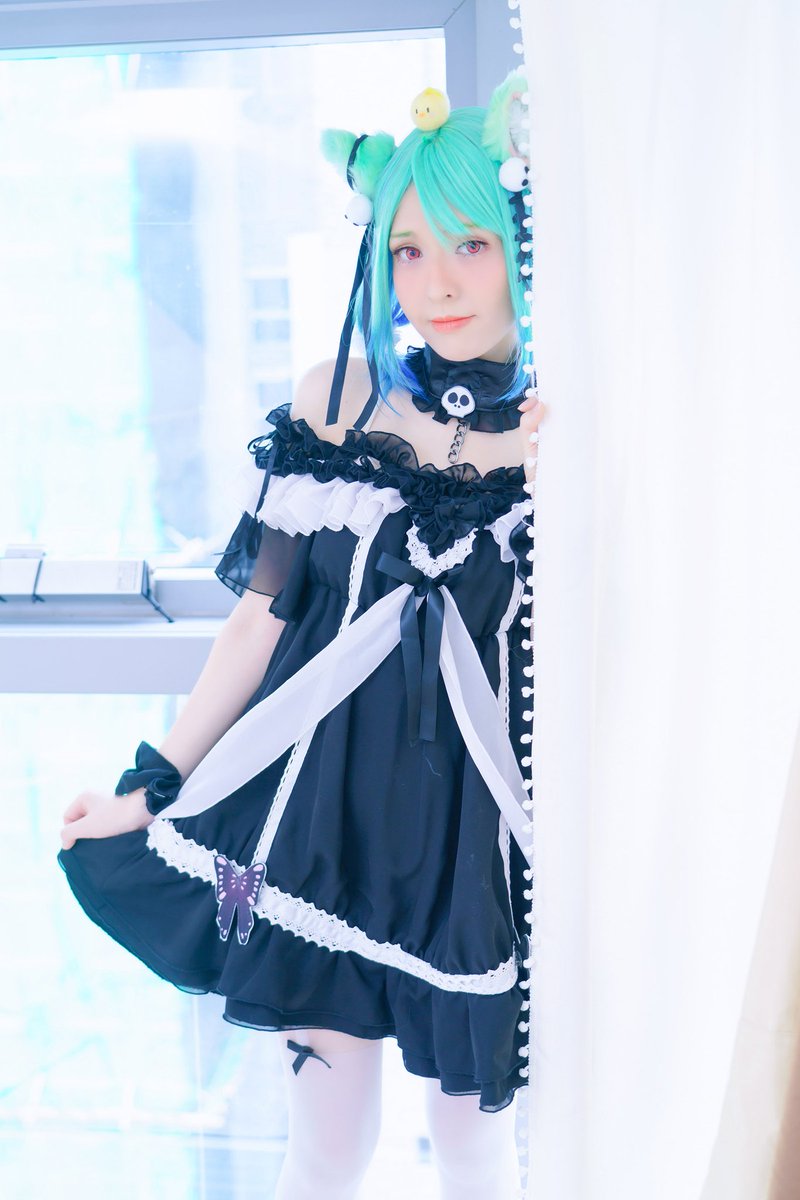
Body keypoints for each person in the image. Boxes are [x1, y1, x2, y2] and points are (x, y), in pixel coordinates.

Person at [58, 70, 546, 1200]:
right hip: (319, 844)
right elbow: (258, 621)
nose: (435, 283)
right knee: (324, 1151)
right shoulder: (336, 404)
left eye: (470, 245)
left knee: (478, 1153)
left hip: (470, 867)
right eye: (408, 251)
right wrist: (149, 786)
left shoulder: (565, 435)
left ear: (523, 246)